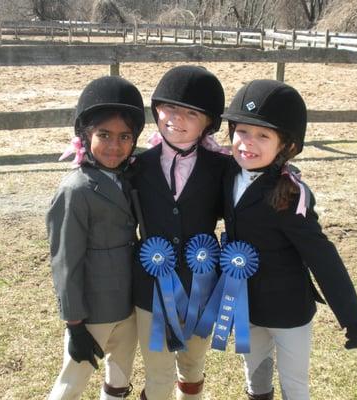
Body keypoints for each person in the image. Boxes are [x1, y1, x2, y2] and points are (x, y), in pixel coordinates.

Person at [221, 79, 357, 400]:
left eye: (263, 135)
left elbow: (322, 256)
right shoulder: (227, 175)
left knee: (294, 385)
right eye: (242, 131)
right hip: (246, 305)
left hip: (289, 312)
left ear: (285, 146)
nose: (248, 143)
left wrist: (350, 315)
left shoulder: (289, 196)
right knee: (256, 377)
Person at [131, 65, 229, 400]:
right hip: (151, 289)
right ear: (156, 109)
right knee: (157, 375)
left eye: (190, 112)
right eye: (169, 108)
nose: (177, 118)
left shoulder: (222, 168)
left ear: (207, 123)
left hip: (202, 286)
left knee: (193, 365)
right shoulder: (137, 167)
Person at [46, 76, 145, 400]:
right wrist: (74, 323)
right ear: (86, 136)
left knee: (119, 381)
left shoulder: (127, 179)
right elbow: (66, 262)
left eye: (124, 137)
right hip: (92, 313)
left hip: (126, 306)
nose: (115, 146)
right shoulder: (75, 190)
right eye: (104, 135)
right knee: (71, 384)